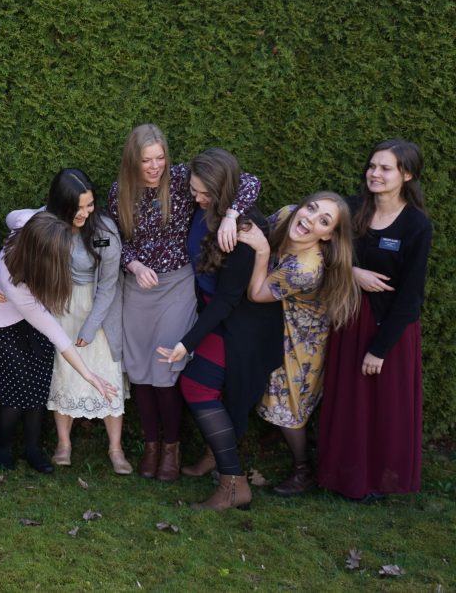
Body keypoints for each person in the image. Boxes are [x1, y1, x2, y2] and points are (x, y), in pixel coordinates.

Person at [108, 124, 260, 481]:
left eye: (160, 158)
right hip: (137, 286)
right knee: (139, 369)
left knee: (165, 365)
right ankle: (151, 445)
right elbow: (117, 241)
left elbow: (248, 182)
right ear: (132, 160)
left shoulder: (180, 179)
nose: (154, 167)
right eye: (146, 160)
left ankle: (172, 448)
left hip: (176, 283)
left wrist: (232, 216)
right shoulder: (120, 192)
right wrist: (133, 264)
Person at [156, 149, 283, 510]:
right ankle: (217, 454)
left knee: (196, 385)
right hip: (214, 312)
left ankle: (233, 484)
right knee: (201, 385)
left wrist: (186, 343)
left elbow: (228, 299)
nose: (197, 198)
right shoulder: (212, 206)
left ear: (223, 191)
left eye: (204, 193)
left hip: (239, 322)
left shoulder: (245, 230)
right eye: (194, 190)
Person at [0, 169, 129, 473]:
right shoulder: (20, 277)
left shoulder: (92, 229)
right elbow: (56, 334)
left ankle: (114, 447)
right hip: (45, 307)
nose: (85, 213)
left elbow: (12, 217)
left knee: (89, 371)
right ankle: (41, 445)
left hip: (87, 306)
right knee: (46, 377)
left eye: (90, 205)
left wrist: (91, 328)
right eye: (77, 207)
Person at [318, 140, 431, 501]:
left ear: (406, 175)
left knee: (383, 408)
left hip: (390, 329)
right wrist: (352, 272)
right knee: (349, 402)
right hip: (349, 319)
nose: (375, 174)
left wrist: (380, 349)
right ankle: (342, 475)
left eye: (385, 168)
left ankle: (377, 480)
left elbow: (410, 296)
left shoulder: (416, 225)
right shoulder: (351, 209)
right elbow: (319, 246)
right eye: (372, 166)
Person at [237, 191, 359, 496]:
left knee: (289, 406)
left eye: (323, 221)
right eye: (311, 208)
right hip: (276, 320)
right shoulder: (287, 213)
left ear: (328, 235)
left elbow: (257, 292)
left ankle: (302, 468)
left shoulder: (306, 268)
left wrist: (262, 250)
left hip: (302, 338)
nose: (309, 219)